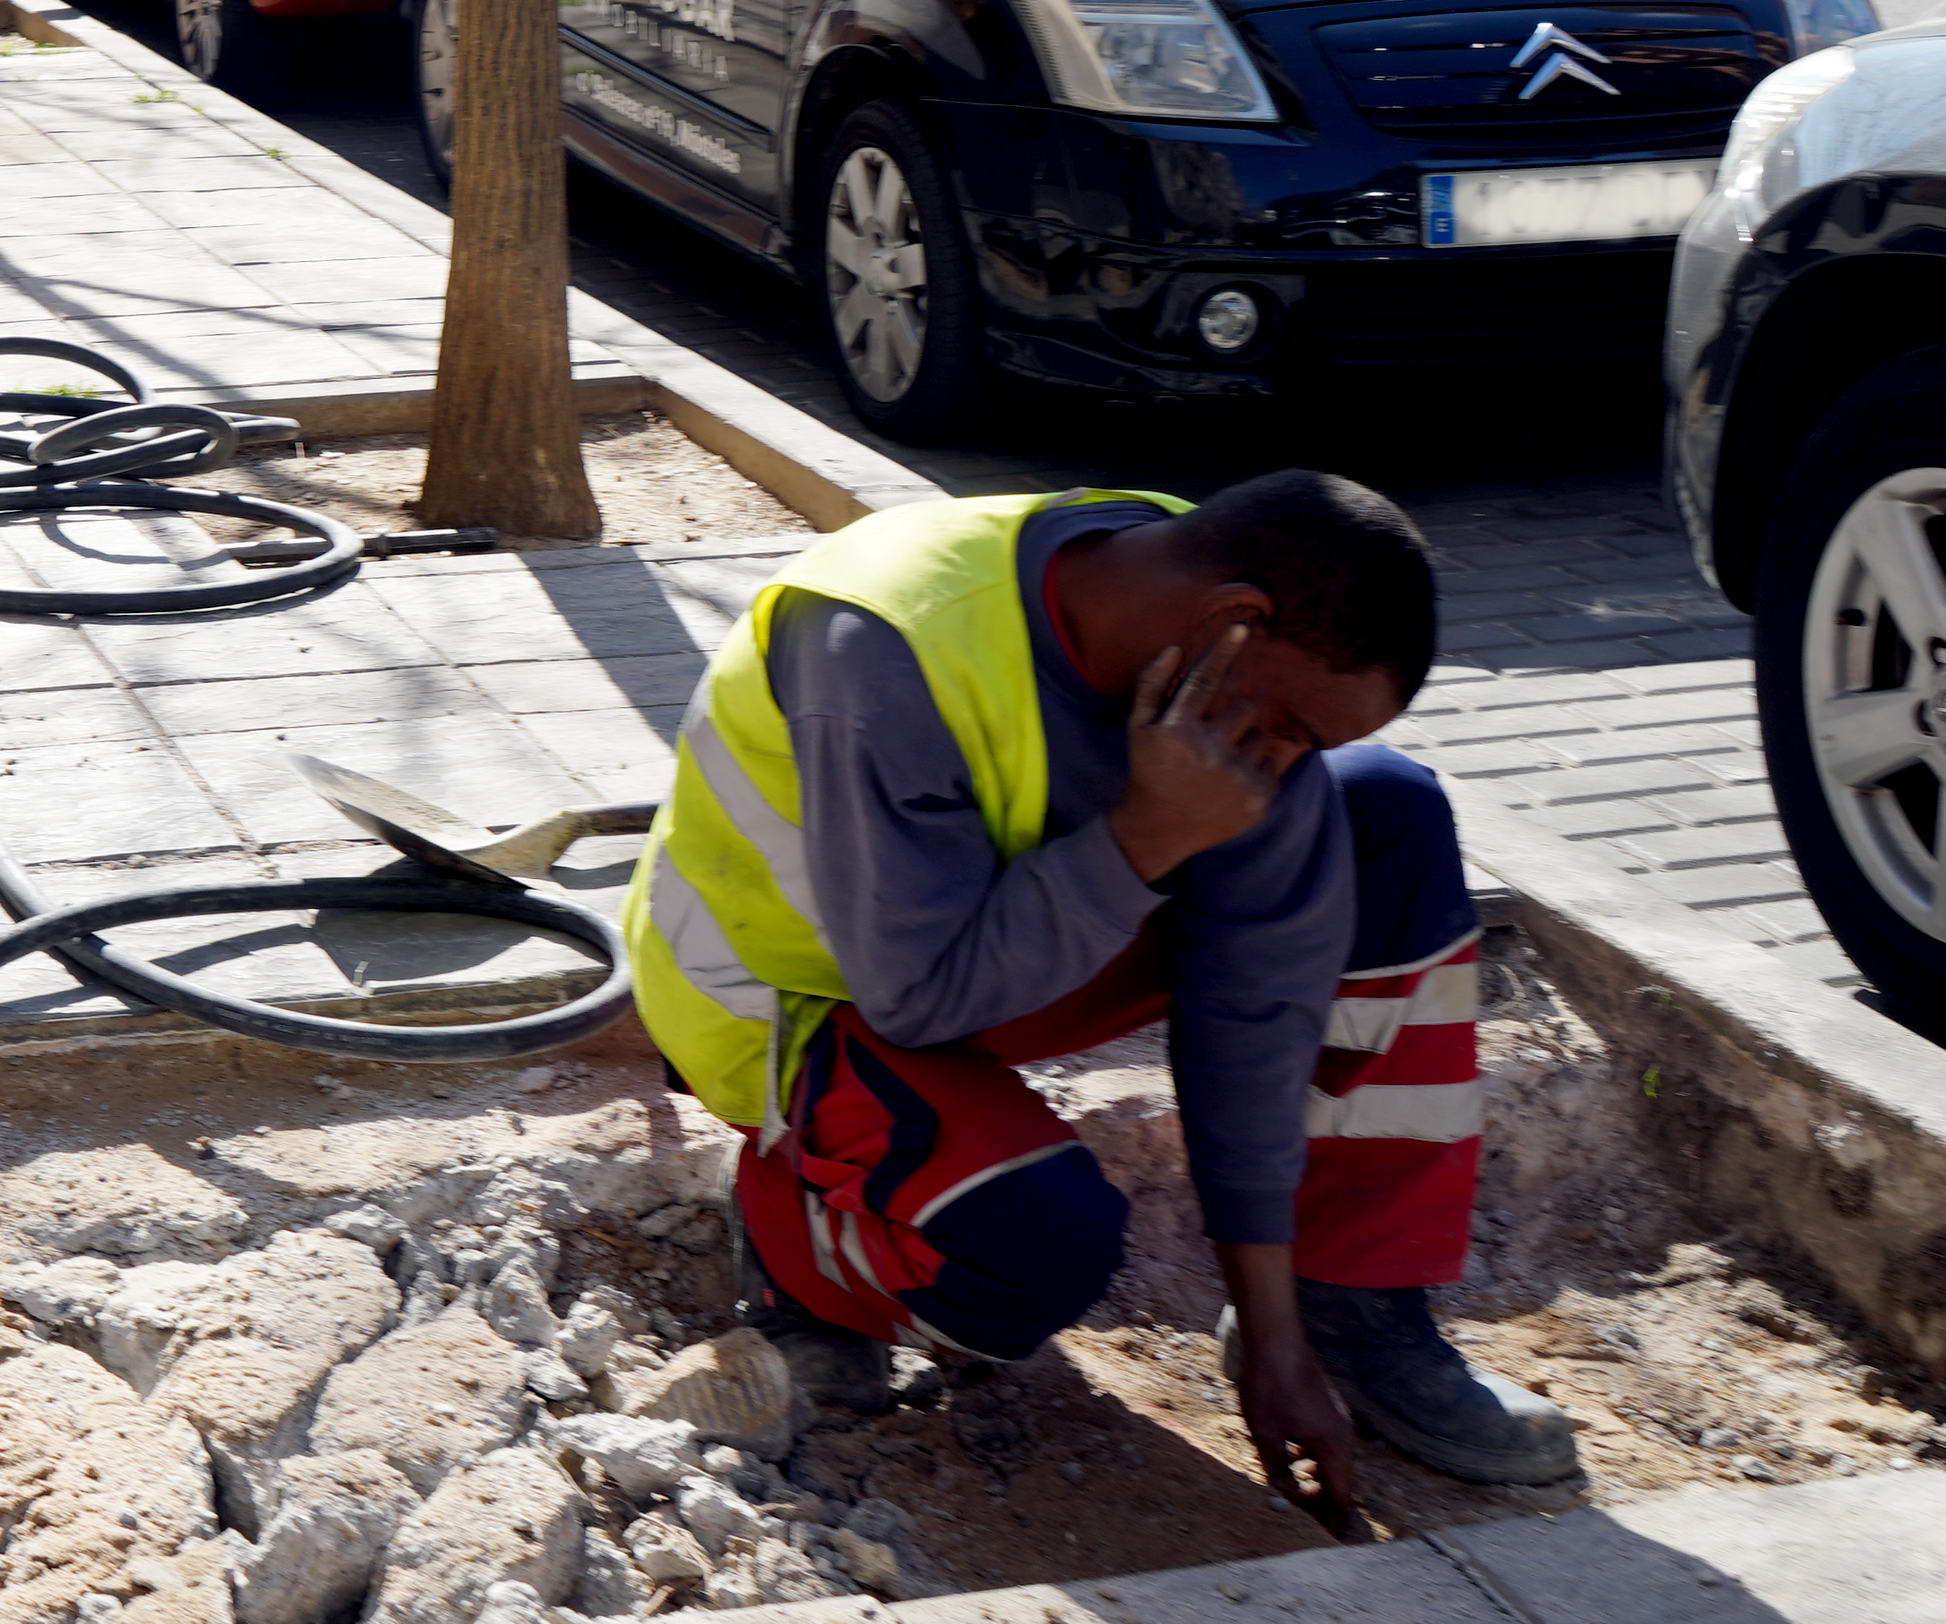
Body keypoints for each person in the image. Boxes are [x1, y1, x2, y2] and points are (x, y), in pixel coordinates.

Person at [621, 474, 1578, 1532]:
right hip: (794, 995)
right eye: (1297, 724)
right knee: (1032, 1248)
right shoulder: (881, 644)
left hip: (1002, 954)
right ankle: (794, 1239)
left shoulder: (1207, 654)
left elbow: (1256, 1013)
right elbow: (920, 997)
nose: (1288, 758)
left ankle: (1348, 1308)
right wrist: (1148, 836)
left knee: (1382, 814)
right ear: (1233, 619)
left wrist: (1274, 1333)